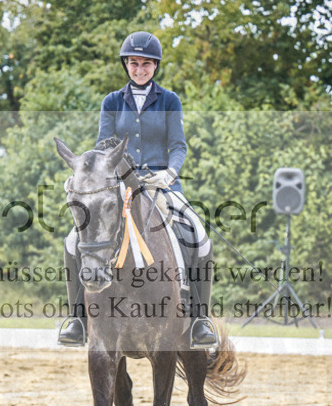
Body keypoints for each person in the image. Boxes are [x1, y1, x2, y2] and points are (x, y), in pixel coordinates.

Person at [58, 31, 218, 348]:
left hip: (161, 184)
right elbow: (104, 146)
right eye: (134, 63)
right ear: (126, 65)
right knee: (73, 239)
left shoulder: (169, 100)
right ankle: (77, 318)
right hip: (119, 185)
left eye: (146, 64)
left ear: (155, 66)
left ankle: (200, 318)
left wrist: (170, 172)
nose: (140, 69)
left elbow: (178, 145)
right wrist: (85, 176)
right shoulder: (112, 101)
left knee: (198, 235)